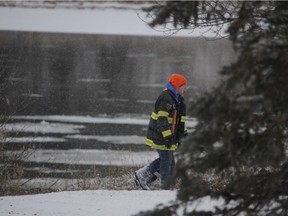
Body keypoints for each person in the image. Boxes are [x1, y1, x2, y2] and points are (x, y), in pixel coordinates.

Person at [135, 73, 188, 190]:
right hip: (161, 135)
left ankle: (143, 177)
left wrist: (183, 134)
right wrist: (167, 137)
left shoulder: (177, 100)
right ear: (178, 86)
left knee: (169, 162)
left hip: (168, 136)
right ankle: (165, 188)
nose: (185, 89)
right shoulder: (166, 98)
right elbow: (162, 120)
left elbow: (179, 121)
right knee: (166, 161)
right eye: (184, 86)